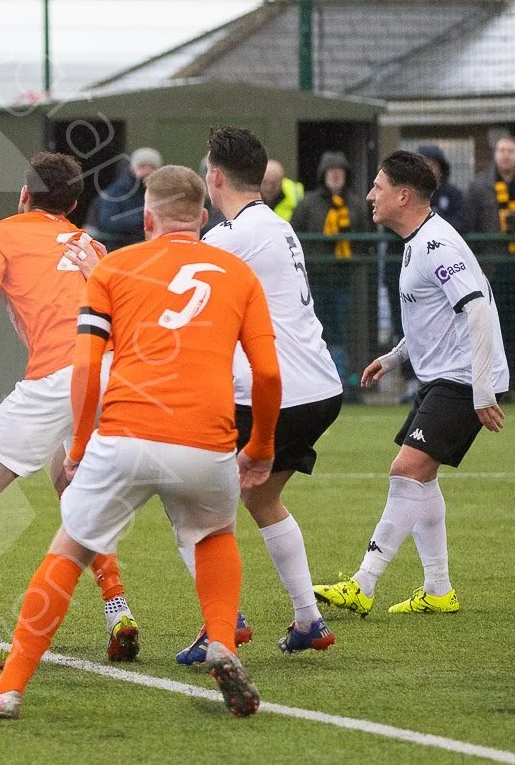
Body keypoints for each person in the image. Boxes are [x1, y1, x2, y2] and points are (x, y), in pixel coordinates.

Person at [0, 165, 278, 720]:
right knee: (214, 535)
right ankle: (223, 642)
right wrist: (263, 447)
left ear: (147, 217)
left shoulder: (113, 268)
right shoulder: (237, 273)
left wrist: (81, 444)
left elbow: (86, 365)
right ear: (204, 218)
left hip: (128, 431)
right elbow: (269, 375)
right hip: (207, 439)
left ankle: (8, 688)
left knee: (68, 548)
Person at [0, 151, 138, 671]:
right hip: (112, 373)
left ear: (24, 195)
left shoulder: (1, 234)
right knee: (70, 484)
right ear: (71, 203)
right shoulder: (90, 243)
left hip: (60, 377)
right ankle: (118, 609)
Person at [315, 151, 509, 616]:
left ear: (403, 195)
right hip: (445, 375)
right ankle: (438, 589)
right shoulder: (418, 240)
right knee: (422, 479)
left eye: (378, 187)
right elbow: (436, 314)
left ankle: (363, 584)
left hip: (462, 378)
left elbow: (477, 308)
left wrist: (481, 389)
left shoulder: (436, 244)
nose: (369, 196)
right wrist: (396, 355)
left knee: (406, 470)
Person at [193, 127, 343, 659]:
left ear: (215, 176)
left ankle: (222, 622)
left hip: (277, 392)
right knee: (259, 495)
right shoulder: (272, 225)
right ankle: (308, 620)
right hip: (319, 388)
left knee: (192, 500)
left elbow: (170, 281)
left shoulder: (235, 235)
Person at [464, 135, 515, 398]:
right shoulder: (478, 187)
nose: (506, 155)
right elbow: (469, 230)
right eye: (501, 150)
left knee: (511, 326)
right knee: (488, 327)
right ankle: (489, 387)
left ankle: (512, 387)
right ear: (494, 155)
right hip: (490, 268)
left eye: (511, 150)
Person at [290, 151, 372, 386]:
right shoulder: (308, 204)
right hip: (316, 279)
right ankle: (315, 378)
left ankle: (342, 377)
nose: (335, 176)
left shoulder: (356, 204)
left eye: (340, 172)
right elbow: (295, 235)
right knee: (315, 329)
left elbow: (366, 239)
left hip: (346, 280)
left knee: (343, 331)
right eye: (331, 172)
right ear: (323, 175)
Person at [94, 146, 161, 251]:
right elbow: (106, 222)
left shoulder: (161, 191)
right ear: (132, 167)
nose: (147, 171)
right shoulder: (116, 191)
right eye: (142, 166)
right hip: (122, 246)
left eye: (152, 167)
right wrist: (143, 219)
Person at [418, 145, 468, 232]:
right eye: (424, 165)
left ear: (441, 167)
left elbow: (462, 225)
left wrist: (437, 218)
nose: (428, 169)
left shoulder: (454, 195)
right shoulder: (406, 193)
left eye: (432, 165)